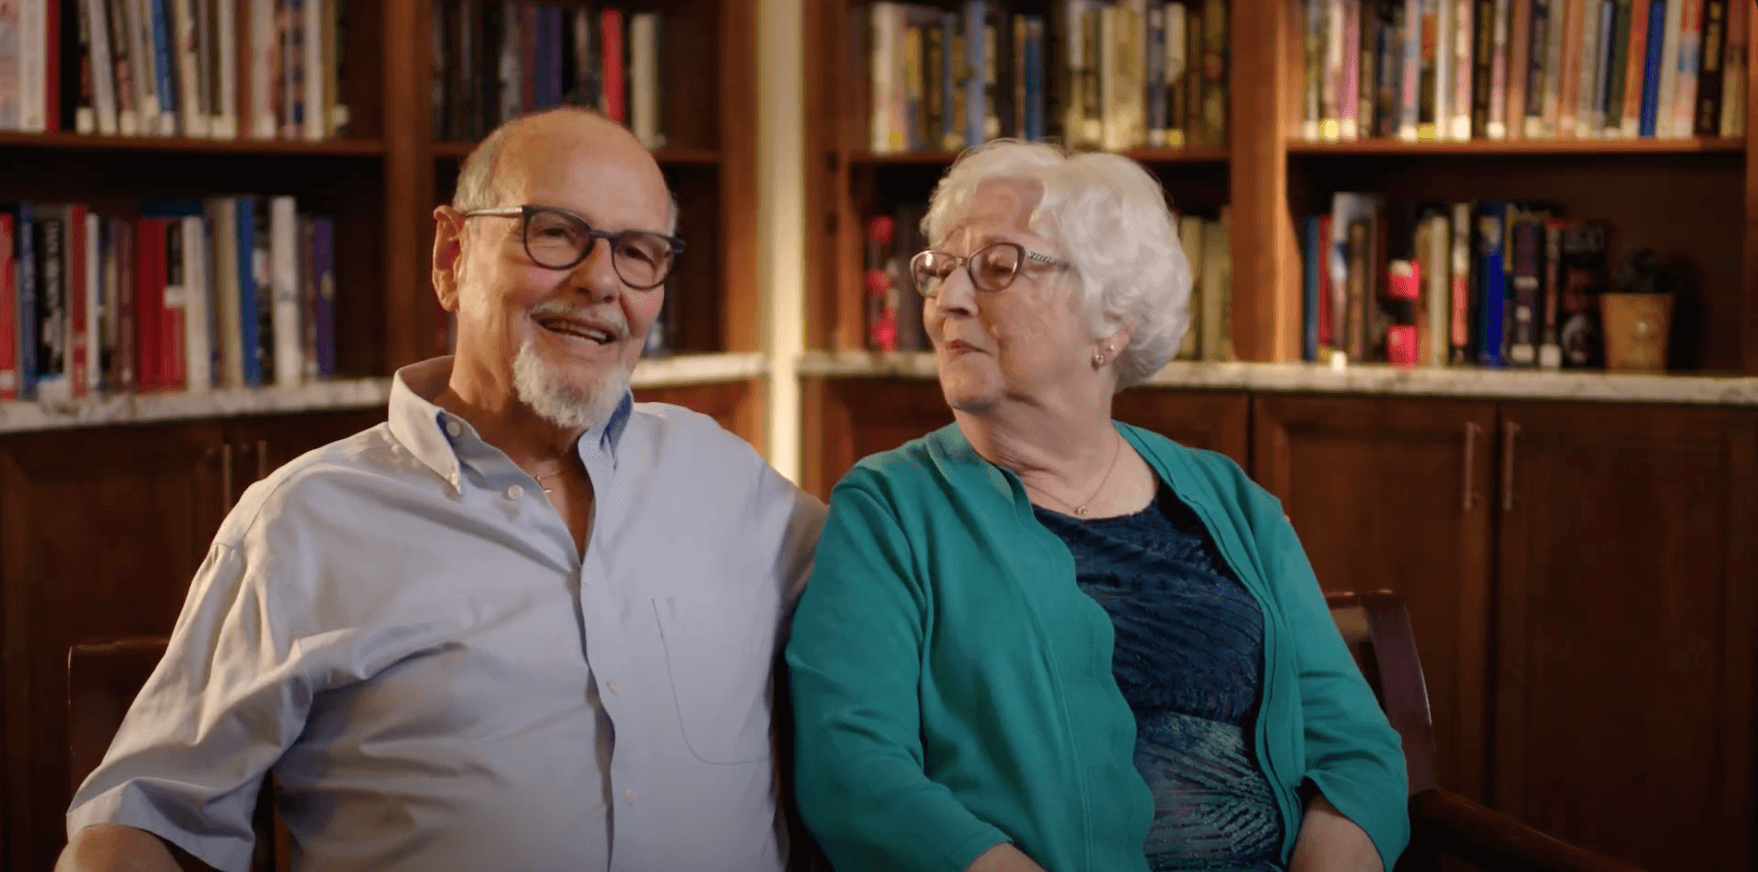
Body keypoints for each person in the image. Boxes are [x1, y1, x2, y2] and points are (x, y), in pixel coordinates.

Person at [59, 107, 825, 872]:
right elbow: (141, 824)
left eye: (637, 253)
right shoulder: (301, 525)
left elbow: (913, 588)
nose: (600, 281)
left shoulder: (729, 482)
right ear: (452, 254)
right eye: (555, 232)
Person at [784, 140, 1408, 872]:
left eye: (997, 266)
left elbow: (1353, 748)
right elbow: (854, 772)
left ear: (1113, 321)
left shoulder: (1232, 501)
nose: (947, 301)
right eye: (940, 271)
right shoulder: (892, 509)